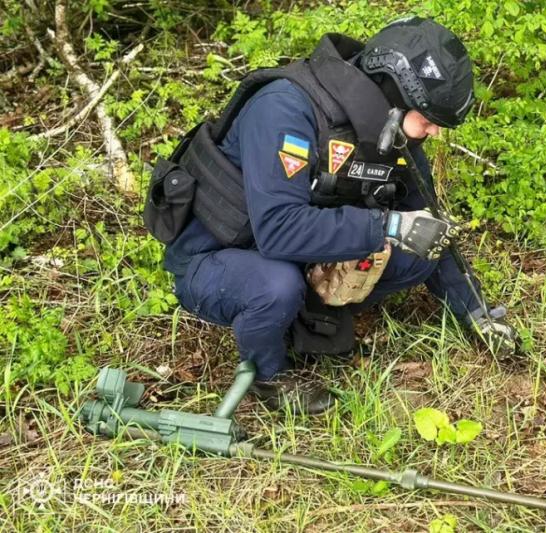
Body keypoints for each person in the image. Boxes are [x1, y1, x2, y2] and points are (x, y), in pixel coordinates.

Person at [150, 16, 516, 415]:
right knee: (275, 287)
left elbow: (427, 221)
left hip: (298, 251)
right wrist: (388, 226)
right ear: (393, 95)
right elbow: (277, 229)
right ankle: (270, 376)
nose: (434, 133)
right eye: (428, 121)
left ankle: (303, 314)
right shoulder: (284, 109)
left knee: (418, 252)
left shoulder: (390, 125)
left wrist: (478, 315)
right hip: (218, 255)